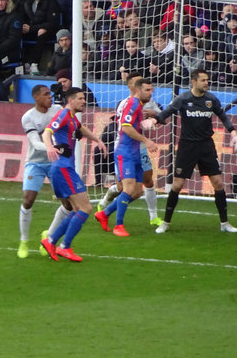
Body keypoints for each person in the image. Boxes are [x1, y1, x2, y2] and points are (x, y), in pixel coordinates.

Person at [145, 69, 237, 234]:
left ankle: (224, 223)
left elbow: (223, 115)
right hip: (187, 147)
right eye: (203, 80)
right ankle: (165, 222)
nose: (206, 83)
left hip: (207, 147)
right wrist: (154, 119)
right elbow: (168, 111)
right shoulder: (183, 99)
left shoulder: (211, 99)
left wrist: (233, 131)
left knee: (218, 183)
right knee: (178, 184)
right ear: (194, 82)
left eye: (207, 80)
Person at [40, 87, 107, 262]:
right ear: (70, 101)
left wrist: (98, 140)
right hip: (62, 168)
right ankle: (64, 246)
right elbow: (47, 132)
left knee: (77, 209)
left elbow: (81, 128)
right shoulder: (63, 115)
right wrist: (49, 146)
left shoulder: (71, 118)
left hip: (64, 168)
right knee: (85, 208)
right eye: (80, 98)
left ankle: (51, 241)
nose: (84, 101)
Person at [94, 78, 158, 237]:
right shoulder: (133, 104)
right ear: (138, 90)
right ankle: (118, 226)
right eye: (147, 90)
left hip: (134, 151)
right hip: (125, 152)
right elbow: (126, 128)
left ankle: (104, 213)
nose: (151, 93)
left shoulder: (139, 105)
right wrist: (146, 140)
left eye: (152, 90)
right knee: (128, 189)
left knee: (136, 192)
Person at [17, 84, 72, 258]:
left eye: (50, 94)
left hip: (56, 162)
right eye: (46, 94)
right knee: (28, 199)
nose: (50, 97)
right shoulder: (28, 117)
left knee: (68, 204)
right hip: (36, 162)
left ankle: (49, 237)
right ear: (36, 98)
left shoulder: (57, 110)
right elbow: (35, 143)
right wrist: (54, 147)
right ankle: (24, 241)